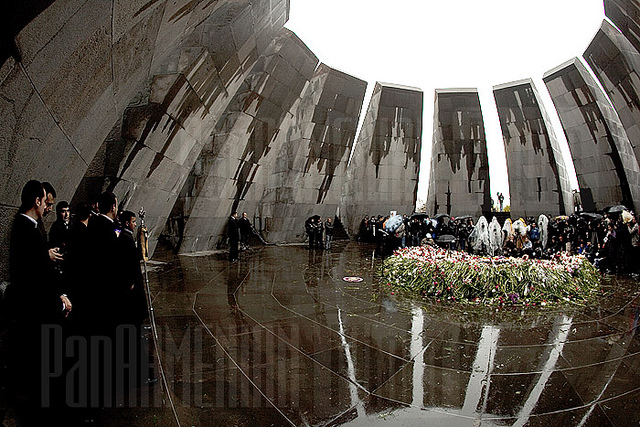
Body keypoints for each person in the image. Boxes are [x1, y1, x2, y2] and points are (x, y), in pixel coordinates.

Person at [6, 180, 72, 413]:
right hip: (36, 308)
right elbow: (36, 277)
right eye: (45, 201)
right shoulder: (29, 231)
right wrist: (58, 300)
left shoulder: (28, 227)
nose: (47, 207)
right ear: (36, 201)